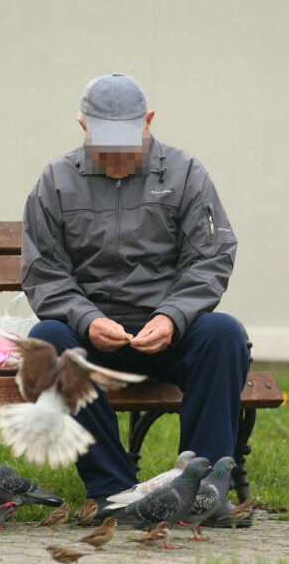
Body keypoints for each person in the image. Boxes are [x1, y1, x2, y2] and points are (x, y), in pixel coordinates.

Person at [21, 73, 250, 526]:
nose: (118, 159)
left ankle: (203, 494)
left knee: (224, 333)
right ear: (83, 125)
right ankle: (116, 493)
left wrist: (173, 316)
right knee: (46, 340)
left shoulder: (186, 174)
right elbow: (43, 271)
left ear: (148, 122)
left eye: (128, 143)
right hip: (91, 343)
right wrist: (85, 320)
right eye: (106, 146)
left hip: (169, 337)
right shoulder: (55, 181)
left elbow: (212, 256)